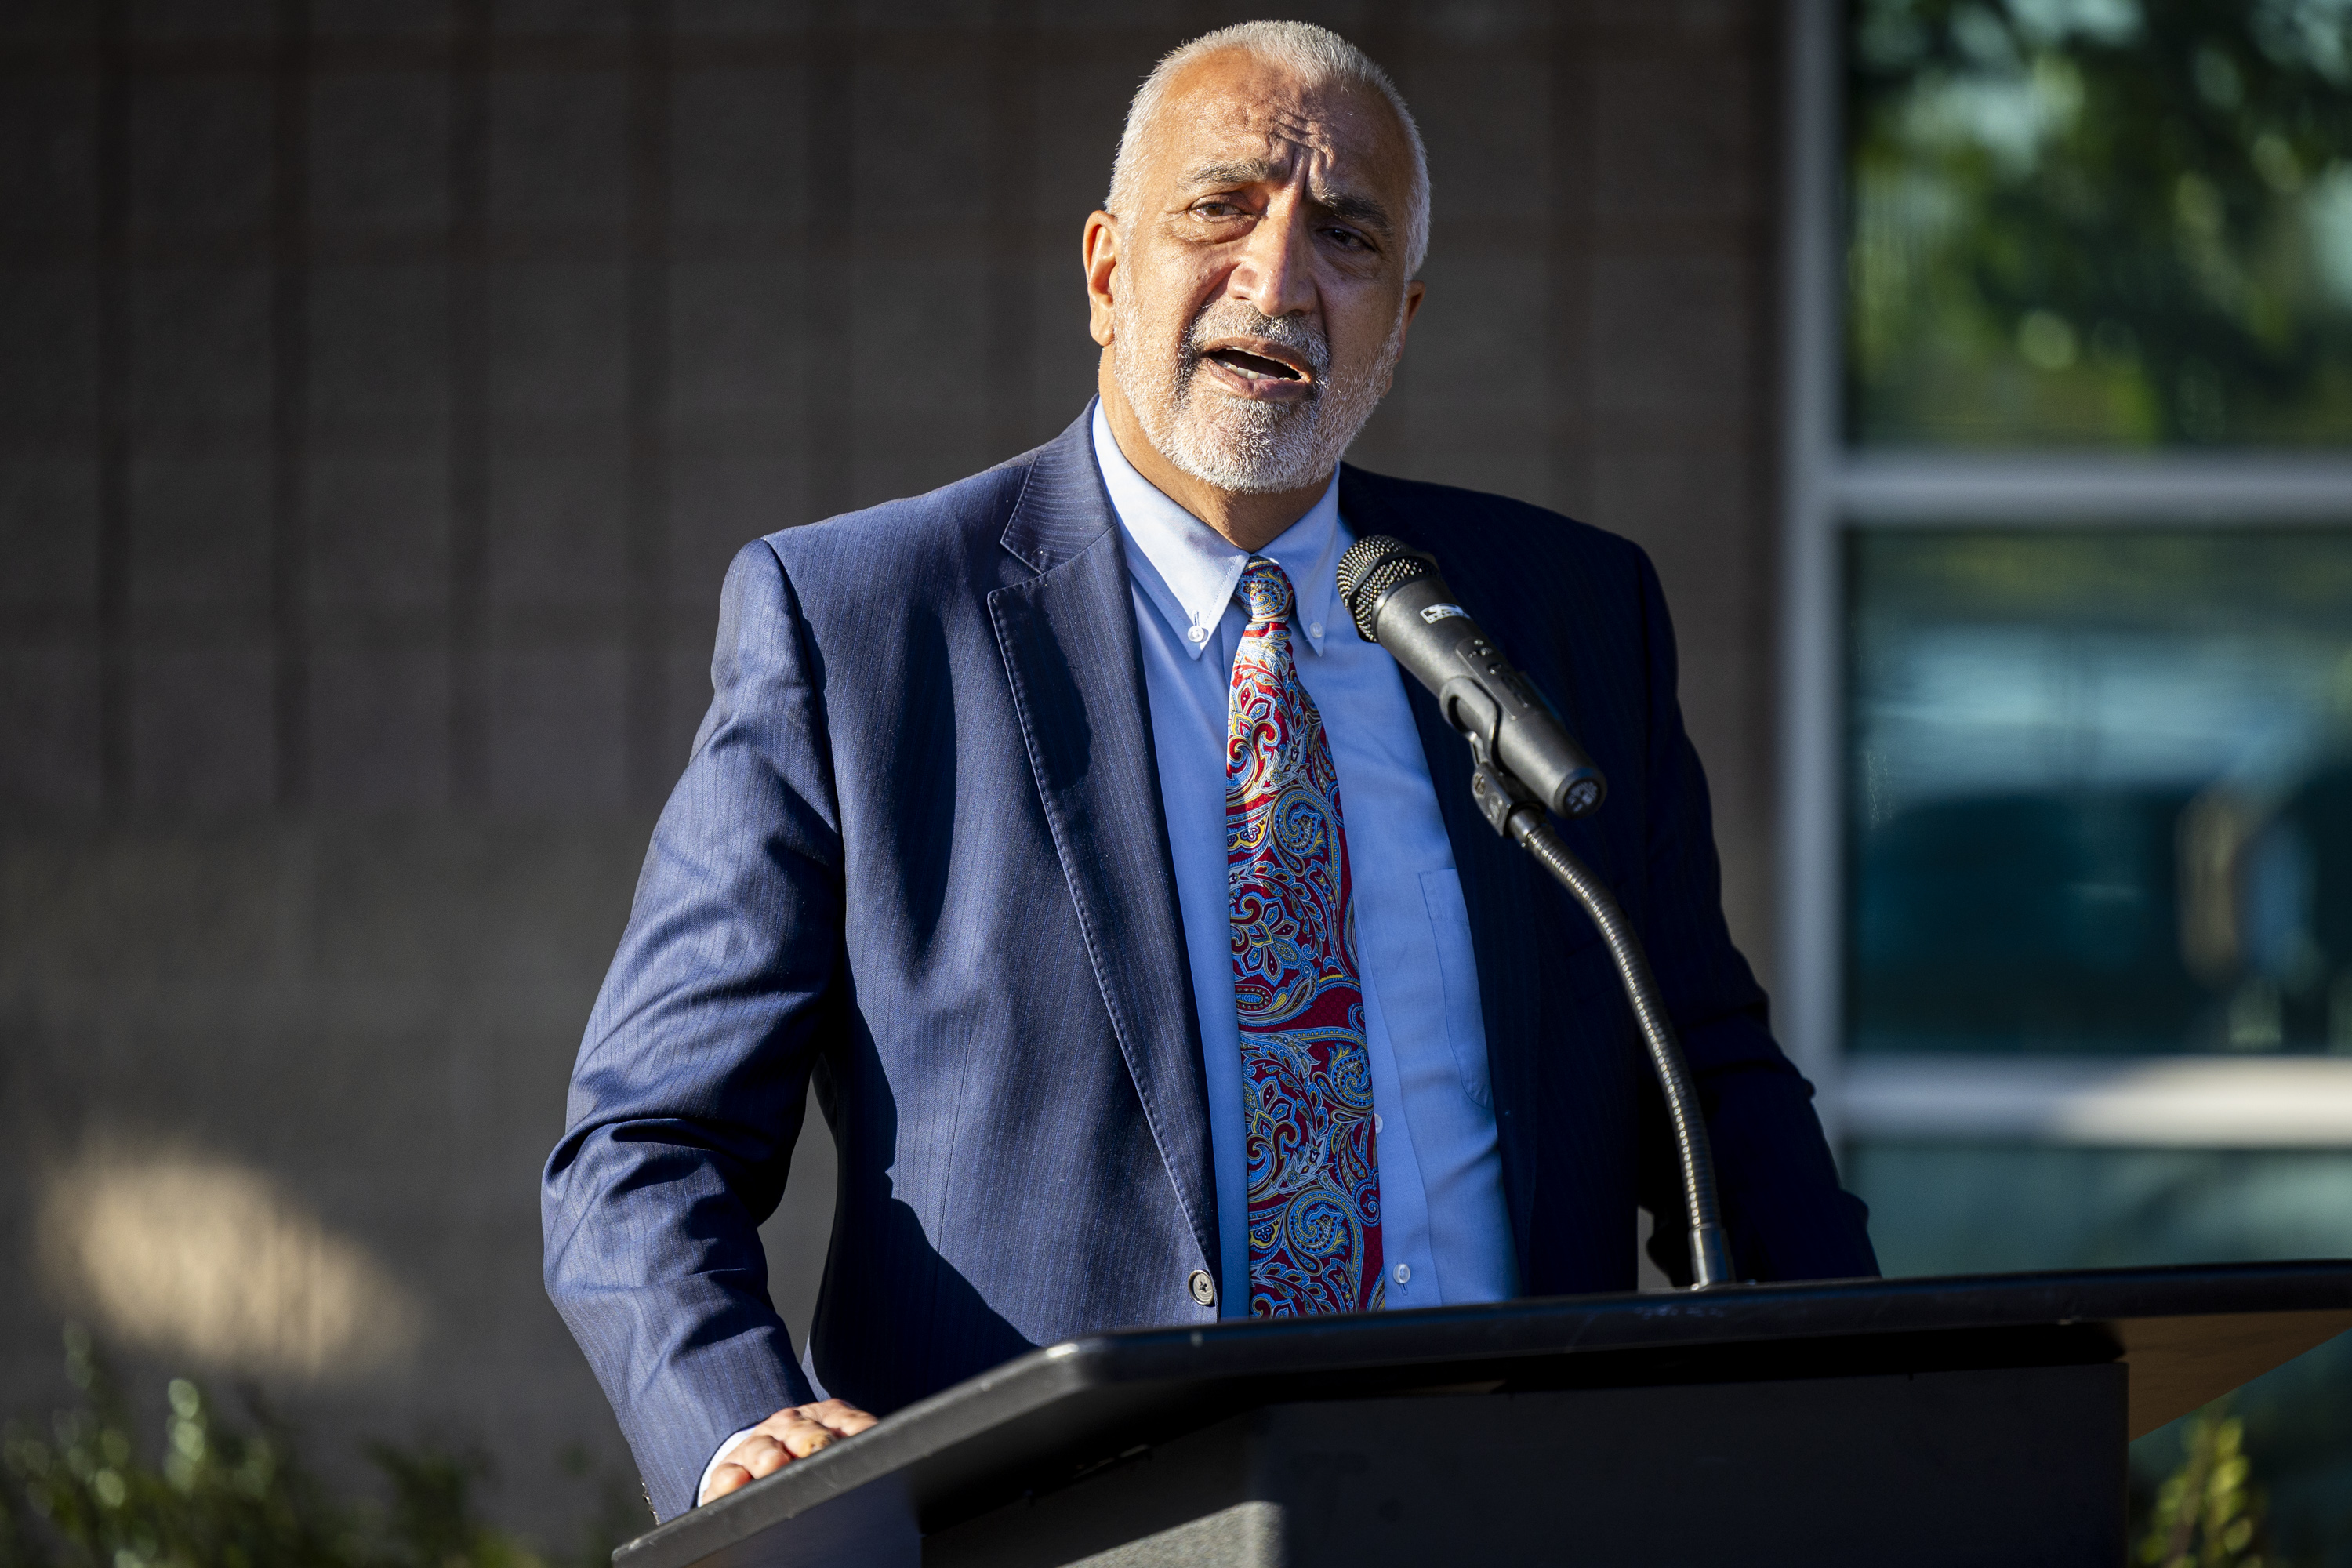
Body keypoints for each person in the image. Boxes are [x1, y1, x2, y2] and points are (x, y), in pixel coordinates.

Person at [542, 19, 1877, 1523]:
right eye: (1223, 206)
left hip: (1510, 1511)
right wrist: (746, 1426)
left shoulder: (1561, 614)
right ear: (1108, 271)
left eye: (1349, 238)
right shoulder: (862, 625)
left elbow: (1706, 1073)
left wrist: (1891, 1410)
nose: (1281, 277)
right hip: (1058, 1537)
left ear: (1402, 319)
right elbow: (641, 1148)